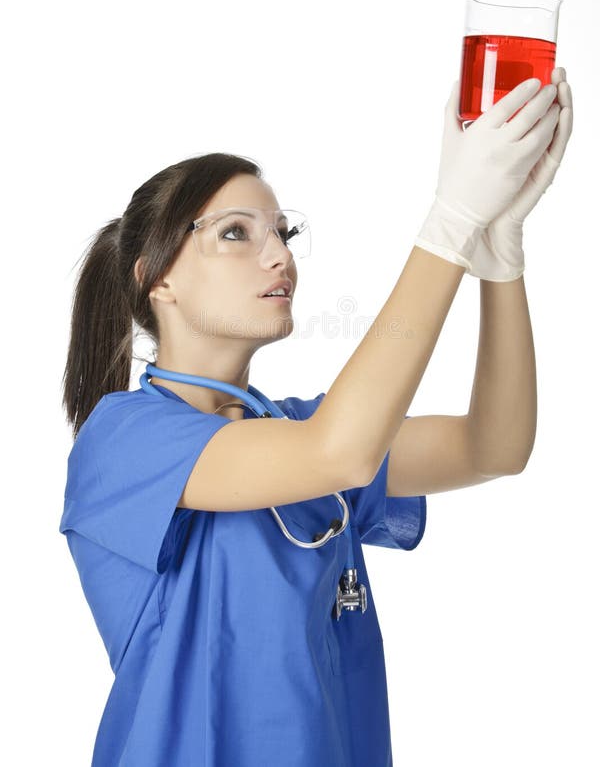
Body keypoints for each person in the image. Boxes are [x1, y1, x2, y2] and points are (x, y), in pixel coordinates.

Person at [59, 68, 573, 767]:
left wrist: (499, 253)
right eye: (236, 233)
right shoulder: (123, 440)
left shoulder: (299, 432)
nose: (279, 256)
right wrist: (448, 221)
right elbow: (342, 452)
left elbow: (493, 446)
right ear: (160, 278)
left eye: (283, 231)